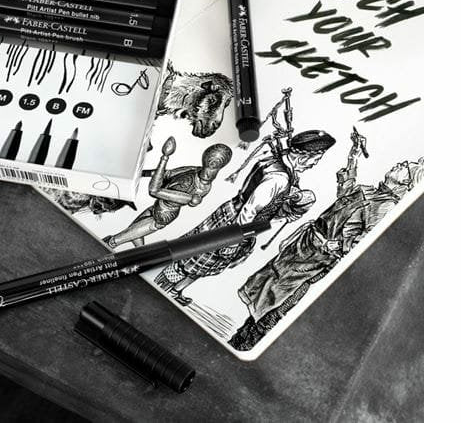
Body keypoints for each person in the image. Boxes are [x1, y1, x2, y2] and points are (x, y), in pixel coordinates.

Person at [229, 132, 423, 351]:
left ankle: (247, 344)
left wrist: (339, 246)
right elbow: (345, 190)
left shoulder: (387, 207)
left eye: (404, 167)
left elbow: (369, 241)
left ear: (406, 183)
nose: (399, 165)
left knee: (279, 301)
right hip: (304, 247)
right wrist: (353, 156)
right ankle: (239, 339)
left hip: (317, 258)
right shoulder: (369, 191)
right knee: (267, 288)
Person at [154, 130, 334, 306]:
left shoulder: (275, 161)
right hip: (237, 224)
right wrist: (233, 242)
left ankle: (176, 290)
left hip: (233, 215)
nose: (314, 164)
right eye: (316, 159)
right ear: (304, 157)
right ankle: (160, 287)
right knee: (193, 258)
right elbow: (249, 210)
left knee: (205, 263)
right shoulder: (279, 179)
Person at [104, 137, 232, 248]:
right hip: (156, 207)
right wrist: (140, 173)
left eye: (213, 165)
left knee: (114, 241)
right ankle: (140, 254)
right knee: (134, 235)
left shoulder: (198, 192)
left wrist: (164, 158)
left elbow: (154, 190)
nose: (207, 174)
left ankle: (110, 244)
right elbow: (167, 174)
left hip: (163, 215)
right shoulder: (195, 170)